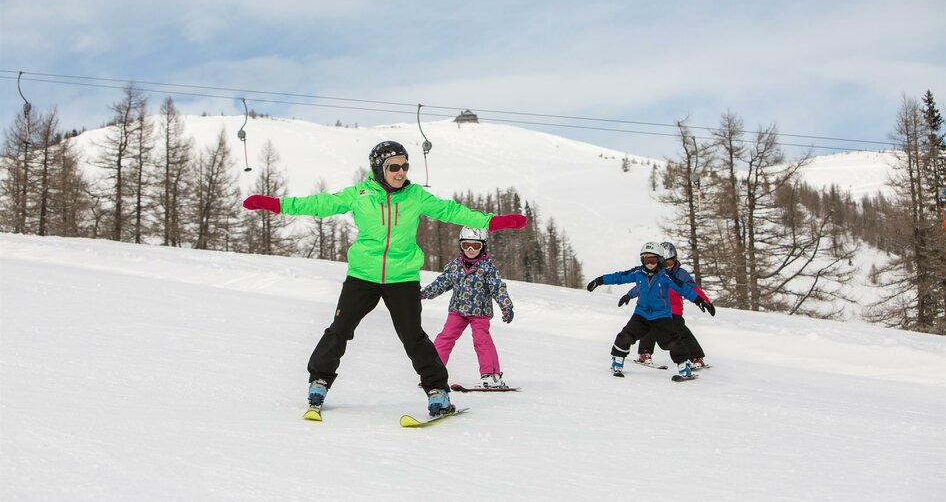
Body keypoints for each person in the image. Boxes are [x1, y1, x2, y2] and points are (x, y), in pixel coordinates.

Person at [242, 140, 527, 417]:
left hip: (402, 278)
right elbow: (320, 204)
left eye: (404, 166)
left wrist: (493, 222)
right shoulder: (360, 194)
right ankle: (319, 382)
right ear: (379, 169)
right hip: (362, 276)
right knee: (339, 330)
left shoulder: (415, 196)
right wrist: (275, 205)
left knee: (413, 337)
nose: (401, 172)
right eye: (394, 167)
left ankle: (437, 391)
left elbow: (452, 211)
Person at [586, 241, 716, 380]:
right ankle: (618, 361)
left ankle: (684, 368)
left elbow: (684, 288)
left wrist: (700, 301)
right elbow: (619, 277)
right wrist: (600, 280)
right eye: (646, 260)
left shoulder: (666, 276)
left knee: (673, 341)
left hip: (661, 316)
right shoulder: (638, 272)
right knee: (626, 335)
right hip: (641, 314)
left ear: (659, 260)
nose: (649, 264)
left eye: (653, 260)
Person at [421, 227, 514, 389]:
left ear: (483, 246)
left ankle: (490, 375)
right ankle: (433, 373)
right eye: (466, 245)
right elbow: (442, 283)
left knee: (481, 340)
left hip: (480, 313)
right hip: (457, 311)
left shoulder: (487, 269)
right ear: (461, 245)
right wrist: (424, 294)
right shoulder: (455, 267)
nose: (470, 250)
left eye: (475, 246)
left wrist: (506, 306)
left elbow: (498, 288)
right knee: (445, 338)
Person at [626, 242, 712, 369]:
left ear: (675, 260)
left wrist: (705, 301)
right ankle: (645, 353)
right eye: (664, 263)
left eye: (670, 263)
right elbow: (642, 287)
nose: (667, 266)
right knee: (648, 325)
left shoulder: (681, 274)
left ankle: (696, 357)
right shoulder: (654, 273)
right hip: (656, 308)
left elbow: (693, 289)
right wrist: (629, 295)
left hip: (674, 309)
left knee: (679, 329)